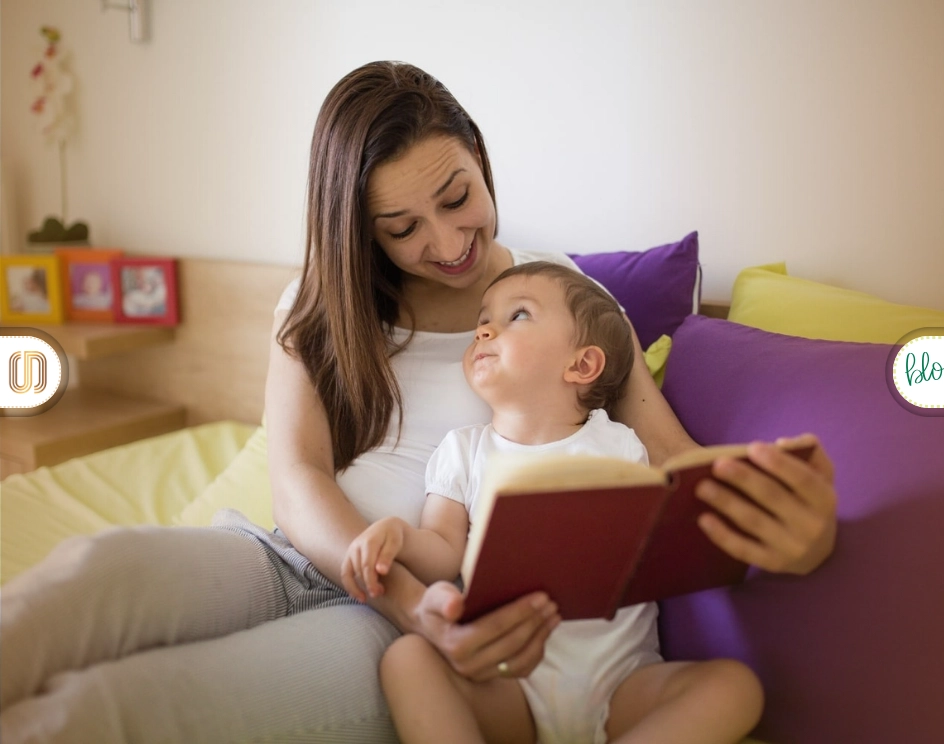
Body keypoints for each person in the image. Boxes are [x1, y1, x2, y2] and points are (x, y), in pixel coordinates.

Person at [0, 61, 836, 744]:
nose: (445, 244)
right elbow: (294, 476)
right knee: (88, 574)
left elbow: (669, 454)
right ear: (360, 228)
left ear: (477, 152)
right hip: (290, 559)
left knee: (121, 706)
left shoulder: (559, 301)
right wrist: (400, 592)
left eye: (456, 196)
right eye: (399, 228)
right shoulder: (320, 301)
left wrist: (794, 533)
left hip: (404, 628)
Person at [343, 261, 765, 744]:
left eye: (517, 315)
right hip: (511, 685)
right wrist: (396, 536)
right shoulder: (463, 450)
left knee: (735, 686)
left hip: (621, 682)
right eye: (483, 319)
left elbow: (661, 537)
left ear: (581, 365)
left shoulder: (620, 444)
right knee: (406, 659)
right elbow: (441, 551)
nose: (484, 329)